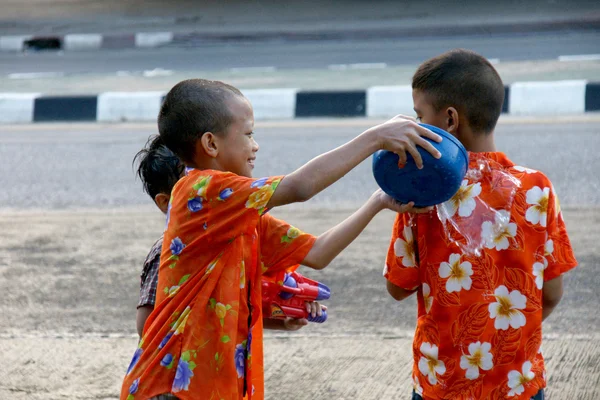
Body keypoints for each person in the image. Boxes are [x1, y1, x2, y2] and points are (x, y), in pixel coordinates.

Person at [121, 78, 442, 400]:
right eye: (248, 134)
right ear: (211, 144)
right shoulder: (201, 190)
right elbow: (300, 187)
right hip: (171, 387)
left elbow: (318, 253)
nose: (255, 145)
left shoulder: (238, 211)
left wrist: (377, 202)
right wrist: (375, 138)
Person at [384, 49, 577, 400]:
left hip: (442, 386)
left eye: (419, 116)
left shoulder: (424, 193)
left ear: (449, 120)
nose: (413, 128)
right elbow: (552, 292)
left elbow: (398, 287)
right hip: (517, 383)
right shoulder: (537, 187)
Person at [132, 135, 324, 339]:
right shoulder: (166, 252)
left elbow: (229, 312)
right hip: (183, 365)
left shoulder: (227, 239)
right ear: (165, 202)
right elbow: (146, 325)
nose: (211, 191)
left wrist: (282, 322)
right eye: (194, 187)